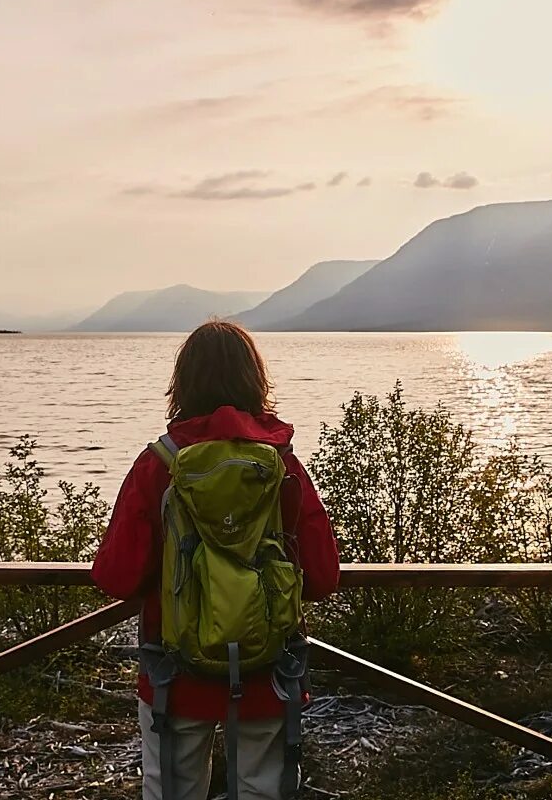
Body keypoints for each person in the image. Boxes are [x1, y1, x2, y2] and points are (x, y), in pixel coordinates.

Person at [92, 320, 340, 800]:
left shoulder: (157, 465)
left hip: (174, 671)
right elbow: (323, 576)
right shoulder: (282, 465)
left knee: (173, 792)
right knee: (263, 791)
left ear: (182, 385)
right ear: (255, 380)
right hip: (269, 670)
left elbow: (117, 577)